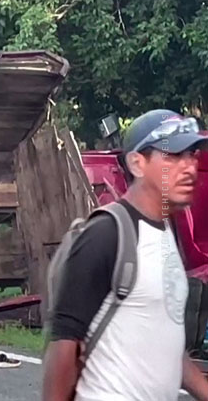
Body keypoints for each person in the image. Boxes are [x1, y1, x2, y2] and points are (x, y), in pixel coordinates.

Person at [43, 109, 208, 401]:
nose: (189, 168)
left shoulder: (167, 233)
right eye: (172, 156)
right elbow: (64, 345)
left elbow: (165, 344)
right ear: (137, 163)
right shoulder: (106, 234)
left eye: (192, 155)